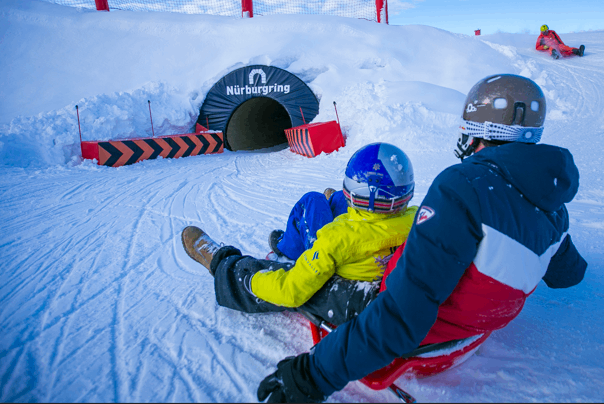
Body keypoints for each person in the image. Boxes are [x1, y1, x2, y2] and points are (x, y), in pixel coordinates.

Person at [256, 74, 588, 403]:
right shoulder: (553, 208)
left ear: (482, 132)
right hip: (471, 330)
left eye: (468, 128)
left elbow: (402, 314)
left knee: (299, 273)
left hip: (414, 329)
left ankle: (233, 268)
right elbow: (568, 275)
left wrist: (312, 374)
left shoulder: (463, 187)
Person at [181, 142, 418, 326]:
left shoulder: (336, 239)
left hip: (344, 279)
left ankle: (238, 262)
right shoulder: (419, 218)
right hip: (378, 250)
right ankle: (332, 203)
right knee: (332, 199)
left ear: (353, 192)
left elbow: (290, 290)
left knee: (312, 200)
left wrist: (253, 281)